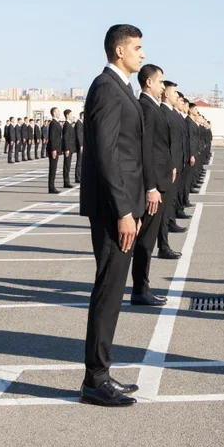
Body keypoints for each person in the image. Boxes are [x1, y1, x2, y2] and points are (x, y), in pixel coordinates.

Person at [79, 24, 147, 407]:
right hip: (112, 209)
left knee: (112, 291)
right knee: (107, 291)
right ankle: (95, 379)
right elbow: (106, 154)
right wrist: (123, 210)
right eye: (137, 47)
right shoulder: (107, 87)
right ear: (119, 51)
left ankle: (101, 372)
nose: (141, 53)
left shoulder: (121, 88)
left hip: (123, 205)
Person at [130, 63, 172, 305]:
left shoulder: (151, 106)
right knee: (145, 240)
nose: (162, 87)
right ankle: (140, 289)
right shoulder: (146, 107)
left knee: (147, 238)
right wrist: (151, 187)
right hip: (153, 184)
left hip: (159, 181)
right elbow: (146, 151)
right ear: (148, 82)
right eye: (159, 82)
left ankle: (142, 287)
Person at [158, 82, 186, 249]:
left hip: (175, 165)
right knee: (163, 208)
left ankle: (165, 239)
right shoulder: (163, 113)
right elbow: (164, 144)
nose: (177, 96)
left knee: (168, 205)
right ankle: (163, 245)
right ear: (167, 95)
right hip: (168, 167)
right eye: (174, 93)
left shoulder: (173, 114)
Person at [60, 109, 78, 189]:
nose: (72, 116)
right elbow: (66, 138)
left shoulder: (69, 124)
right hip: (68, 148)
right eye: (70, 114)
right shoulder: (67, 124)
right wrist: (66, 149)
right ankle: (66, 182)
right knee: (67, 165)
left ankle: (67, 181)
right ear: (67, 115)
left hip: (70, 148)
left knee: (68, 165)